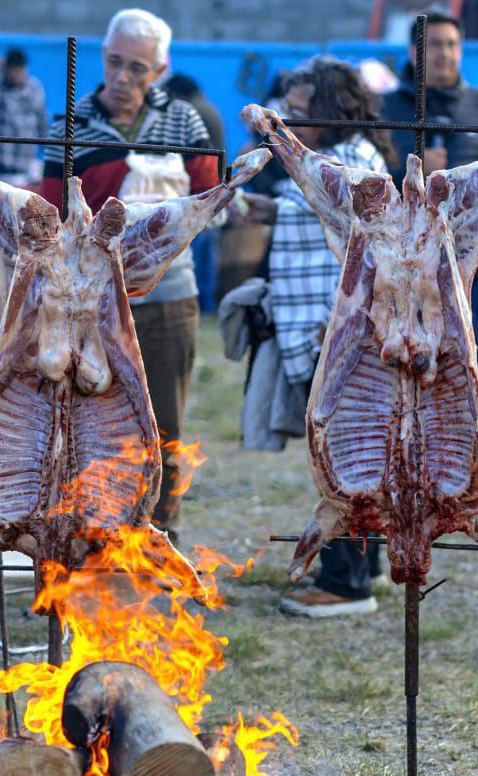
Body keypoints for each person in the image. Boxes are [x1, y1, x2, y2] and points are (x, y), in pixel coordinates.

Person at [39, 9, 217, 545]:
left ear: (159, 70)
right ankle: (92, 529)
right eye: (114, 63)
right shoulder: (68, 124)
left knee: (164, 423)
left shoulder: (185, 122)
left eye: (136, 69)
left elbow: (210, 203)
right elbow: (50, 217)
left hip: (169, 297)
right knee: (90, 418)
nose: (122, 78)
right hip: (90, 303)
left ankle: (160, 535)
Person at [234, 58, 397, 616]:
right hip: (320, 325)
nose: (293, 121)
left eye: (301, 113)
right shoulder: (337, 157)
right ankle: (363, 563)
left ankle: (346, 583)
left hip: (340, 330)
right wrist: (270, 207)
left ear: (332, 111)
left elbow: (351, 219)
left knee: (344, 455)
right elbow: (317, 212)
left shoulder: (352, 160)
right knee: (355, 450)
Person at [380, 11, 478, 481]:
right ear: (415, 53)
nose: (445, 54)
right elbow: (369, 182)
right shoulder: (387, 109)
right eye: (435, 45)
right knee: (406, 356)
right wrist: (408, 164)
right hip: (403, 265)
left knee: (473, 355)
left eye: (452, 45)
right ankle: (411, 456)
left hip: (474, 261)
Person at [163, 73, 224, 312]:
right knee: (206, 252)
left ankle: (202, 303)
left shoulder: (194, 111)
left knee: (199, 252)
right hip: (213, 185)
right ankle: (205, 303)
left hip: (203, 188)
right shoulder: (207, 107)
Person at [0, 47, 48, 186]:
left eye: (19, 70)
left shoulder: (34, 89)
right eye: (12, 70)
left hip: (25, 169)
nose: (16, 74)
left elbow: (42, 122)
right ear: (6, 69)